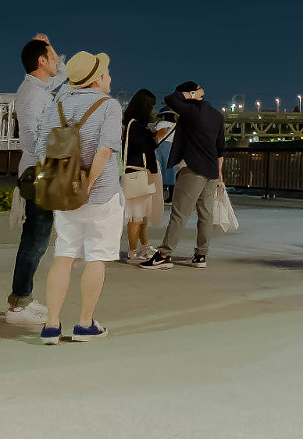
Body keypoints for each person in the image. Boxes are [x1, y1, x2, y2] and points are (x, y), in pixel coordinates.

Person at [36, 50, 123, 345]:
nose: (109, 77)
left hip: (62, 194)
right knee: (96, 256)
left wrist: (61, 184)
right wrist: (88, 184)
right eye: (106, 73)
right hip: (100, 196)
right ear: (97, 80)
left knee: (64, 255)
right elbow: (104, 150)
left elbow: (42, 150)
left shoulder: (57, 103)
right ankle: (85, 324)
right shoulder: (109, 106)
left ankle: (51, 325)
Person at [7, 35, 65, 325]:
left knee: (38, 238)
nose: (56, 61)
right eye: (52, 57)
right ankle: (18, 304)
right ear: (41, 62)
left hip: (43, 170)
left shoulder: (40, 87)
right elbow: (30, 138)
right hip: (39, 172)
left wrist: (50, 44)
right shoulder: (32, 94)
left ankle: (21, 299)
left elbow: (62, 74)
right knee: (35, 239)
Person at [142, 82, 226, 270]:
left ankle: (164, 254)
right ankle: (201, 255)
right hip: (211, 171)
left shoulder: (191, 111)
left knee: (179, 214)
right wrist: (220, 174)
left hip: (193, 169)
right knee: (206, 214)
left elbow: (171, 98)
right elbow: (220, 149)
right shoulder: (216, 115)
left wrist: (190, 95)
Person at [121, 89, 169, 263]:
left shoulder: (134, 125)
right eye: (150, 106)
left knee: (142, 216)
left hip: (141, 173)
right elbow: (144, 146)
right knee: (136, 217)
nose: (152, 110)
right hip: (137, 172)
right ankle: (133, 251)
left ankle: (142, 248)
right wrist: (157, 137)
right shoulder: (135, 125)